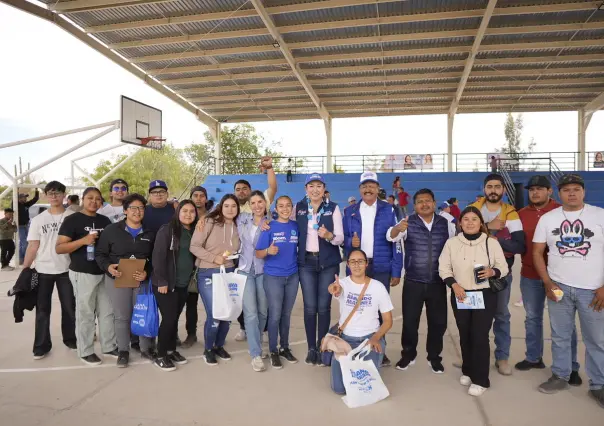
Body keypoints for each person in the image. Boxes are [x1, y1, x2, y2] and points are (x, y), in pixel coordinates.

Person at [532, 174, 604, 407]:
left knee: (596, 340)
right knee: (560, 336)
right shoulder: (549, 219)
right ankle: (560, 375)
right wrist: (547, 282)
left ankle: (599, 384)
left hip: (593, 290)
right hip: (559, 287)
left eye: (576, 189)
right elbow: (537, 252)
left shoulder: (599, 215)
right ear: (558, 193)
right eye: (566, 190)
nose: (571, 193)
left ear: (583, 192)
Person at [515, 175, 581, 385]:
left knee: (564, 324)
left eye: (540, 189)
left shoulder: (562, 212)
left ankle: (571, 367)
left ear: (550, 191)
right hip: (530, 275)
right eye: (532, 189)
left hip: (559, 278)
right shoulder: (520, 215)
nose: (535, 193)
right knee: (532, 318)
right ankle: (534, 358)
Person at [439, 206, 509, 397]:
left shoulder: (491, 242)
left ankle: (481, 379)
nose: (470, 222)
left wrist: (492, 271)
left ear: (481, 223)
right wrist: (454, 285)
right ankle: (468, 370)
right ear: (460, 223)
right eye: (466, 219)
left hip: (484, 295)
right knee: (465, 334)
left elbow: (503, 267)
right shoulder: (451, 243)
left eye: (474, 219)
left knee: (479, 336)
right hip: (461, 294)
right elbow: (444, 268)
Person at [343, 171, 402, 367]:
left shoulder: (390, 210)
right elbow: (345, 243)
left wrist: (396, 269)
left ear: (378, 189)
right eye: (364, 186)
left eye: (372, 186)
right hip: (359, 266)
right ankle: (355, 345)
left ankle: (380, 350)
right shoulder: (349, 211)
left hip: (382, 265)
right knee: (357, 307)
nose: (368, 189)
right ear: (360, 190)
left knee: (379, 310)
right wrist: (352, 243)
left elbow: (397, 240)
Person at [389, 189, 450, 374]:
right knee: (410, 321)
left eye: (428, 201)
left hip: (438, 282)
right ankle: (408, 354)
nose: (424, 204)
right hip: (413, 281)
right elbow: (390, 236)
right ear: (415, 206)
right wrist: (397, 229)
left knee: (438, 323)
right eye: (420, 201)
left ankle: (434, 357)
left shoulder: (446, 223)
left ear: (434, 202)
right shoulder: (407, 223)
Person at [471, 174, 525, 376]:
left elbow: (519, 246)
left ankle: (502, 357)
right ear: (484, 189)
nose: (493, 190)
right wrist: (489, 228)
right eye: (489, 186)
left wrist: (489, 236)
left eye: (497, 187)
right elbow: (463, 236)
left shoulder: (510, 213)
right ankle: (473, 357)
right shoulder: (473, 209)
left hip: (500, 275)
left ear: (503, 189)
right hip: (473, 274)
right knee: (474, 317)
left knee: (501, 316)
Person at [56, 187, 116, 365]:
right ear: (83, 199)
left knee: (107, 312)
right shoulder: (72, 220)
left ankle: (109, 346)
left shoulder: (105, 220)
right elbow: (59, 248)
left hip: (104, 272)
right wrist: (83, 241)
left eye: (98, 199)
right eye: (90, 198)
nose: (94, 201)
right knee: (85, 313)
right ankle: (86, 350)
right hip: (82, 272)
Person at [96, 193, 156, 368]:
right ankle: (123, 350)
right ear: (125, 210)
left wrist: (147, 272)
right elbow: (100, 254)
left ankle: (146, 348)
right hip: (118, 278)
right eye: (133, 208)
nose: (137, 211)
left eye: (141, 208)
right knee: (122, 316)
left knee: (142, 312)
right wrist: (108, 267)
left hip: (141, 279)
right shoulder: (111, 230)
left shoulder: (150, 233)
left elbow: (155, 258)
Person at [327, 249, 394, 394]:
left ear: (366, 264)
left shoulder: (378, 287)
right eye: (352, 262)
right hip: (346, 339)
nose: (356, 265)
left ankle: (372, 359)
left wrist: (376, 338)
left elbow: (388, 321)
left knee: (364, 388)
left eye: (360, 261)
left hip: (369, 339)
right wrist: (334, 289)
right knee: (339, 389)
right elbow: (335, 289)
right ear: (348, 265)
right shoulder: (343, 284)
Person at [22, 181, 76, 360]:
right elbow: (32, 245)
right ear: (45, 195)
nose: (54, 196)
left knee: (70, 308)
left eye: (57, 193)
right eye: (50, 193)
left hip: (67, 269)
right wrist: (25, 268)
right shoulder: (38, 220)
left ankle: (71, 339)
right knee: (42, 310)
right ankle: (41, 345)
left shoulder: (72, 216)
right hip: (43, 269)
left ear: (64, 195)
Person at [295, 173, 344, 366]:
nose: (315, 190)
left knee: (324, 307)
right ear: (306, 189)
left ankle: (323, 346)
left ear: (324, 189)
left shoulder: (333, 208)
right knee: (309, 307)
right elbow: (283, 222)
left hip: (328, 263)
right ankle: (311, 348)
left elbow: (340, 238)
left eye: (319, 186)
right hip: (306, 263)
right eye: (311, 186)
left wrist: (330, 235)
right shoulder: (298, 208)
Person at [190, 194, 241, 366]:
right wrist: (214, 258)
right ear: (221, 207)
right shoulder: (209, 222)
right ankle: (208, 349)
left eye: (233, 206)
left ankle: (219, 346)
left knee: (227, 313)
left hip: (228, 273)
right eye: (226, 206)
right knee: (215, 314)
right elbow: (194, 246)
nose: (230, 209)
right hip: (208, 272)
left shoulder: (238, 225)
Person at [233, 157, 277, 341]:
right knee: (245, 302)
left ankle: (263, 329)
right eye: (238, 189)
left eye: (244, 189)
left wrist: (269, 168)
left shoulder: (261, 204)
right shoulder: (235, 209)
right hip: (242, 261)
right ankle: (245, 329)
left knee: (262, 303)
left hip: (262, 263)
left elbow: (273, 188)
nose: (241, 191)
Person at [151, 200, 198, 371]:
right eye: (184, 210)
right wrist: (162, 280)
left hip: (183, 284)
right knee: (169, 319)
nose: (188, 214)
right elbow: (158, 257)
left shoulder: (193, 231)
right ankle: (161, 354)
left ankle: (171, 350)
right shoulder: (167, 230)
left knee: (174, 319)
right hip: (166, 284)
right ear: (178, 212)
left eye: (192, 211)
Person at [256, 195, 299, 369]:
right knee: (274, 315)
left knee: (286, 315)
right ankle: (273, 350)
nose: (285, 209)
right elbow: (258, 253)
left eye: (288, 205)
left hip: (292, 276)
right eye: (281, 206)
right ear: (276, 209)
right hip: (273, 276)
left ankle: (285, 347)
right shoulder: (268, 228)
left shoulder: (296, 226)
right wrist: (268, 250)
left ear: (292, 207)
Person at [237, 190, 270, 372]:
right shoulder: (242, 219)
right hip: (245, 270)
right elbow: (222, 215)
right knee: (250, 313)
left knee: (263, 311)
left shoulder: (271, 222)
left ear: (265, 203)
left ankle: (256, 344)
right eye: (253, 203)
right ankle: (255, 354)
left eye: (260, 202)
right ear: (249, 205)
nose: (257, 206)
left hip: (264, 270)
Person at [181, 185, 212, 348]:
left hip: (209, 265)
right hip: (190, 267)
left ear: (206, 198)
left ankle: (214, 334)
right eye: (195, 195)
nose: (199, 198)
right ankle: (191, 334)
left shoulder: (213, 216)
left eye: (202, 195)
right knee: (190, 303)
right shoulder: (186, 218)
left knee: (213, 303)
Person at [13, 189, 39, 264]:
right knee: (24, 243)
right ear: (19, 198)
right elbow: (14, 198)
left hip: (26, 226)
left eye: (26, 197)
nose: (25, 198)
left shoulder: (26, 205)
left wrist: (36, 190)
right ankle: (24, 258)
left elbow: (35, 199)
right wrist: (17, 189)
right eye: (24, 197)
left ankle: (20, 259)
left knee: (24, 243)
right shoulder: (16, 204)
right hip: (20, 226)